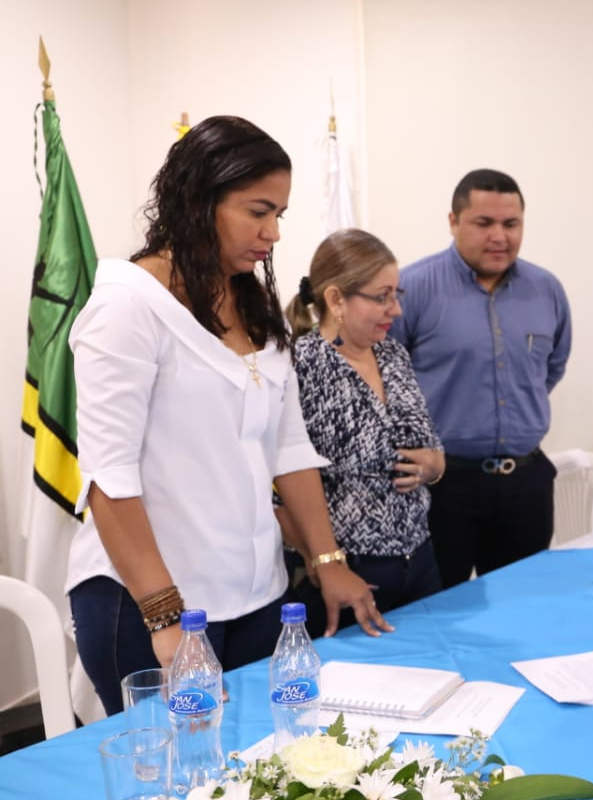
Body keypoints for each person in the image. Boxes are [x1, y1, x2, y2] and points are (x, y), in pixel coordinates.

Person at [67, 116, 389, 715]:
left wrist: (327, 561)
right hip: (151, 604)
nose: (271, 233)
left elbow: (288, 447)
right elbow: (108, 478)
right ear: (199, 201)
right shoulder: (127, 305)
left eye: (280, 216)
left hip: (254, 596)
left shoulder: (250, 300)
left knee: (259, 759)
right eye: (257, 211)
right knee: (178, 772)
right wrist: (165, 617)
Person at [390, 169, 571, 588]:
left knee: (522, 609)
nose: (499, 237)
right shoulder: (411, 289)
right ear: (453, 222)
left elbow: (551, 369)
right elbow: (387, 380)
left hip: (526, 484)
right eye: (484, 223)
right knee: (438, 613)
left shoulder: (547, 290)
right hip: (442, 487)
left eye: (511, 224)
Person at [283, 228, 446, 637]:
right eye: (381, 297)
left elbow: (426, 440)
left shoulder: (392, 353)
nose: (396, 310)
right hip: (350, 574)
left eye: (397, 295)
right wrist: (326, 564)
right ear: (336, 299)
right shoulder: (298, 366)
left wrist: (435, 465)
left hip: (419, 558)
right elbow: (278, 488)